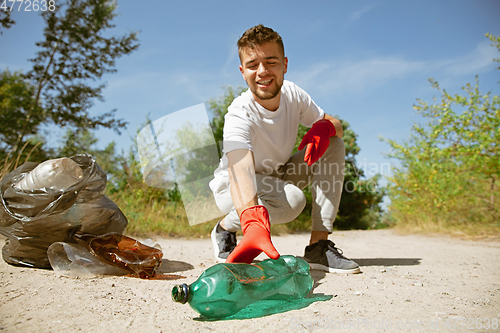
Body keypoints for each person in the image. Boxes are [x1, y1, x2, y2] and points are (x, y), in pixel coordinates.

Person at [208, 24, 360, 273]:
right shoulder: (239, 112)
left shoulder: (294, 94)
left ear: (285, 64)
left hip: (276, 176)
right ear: (242, 71)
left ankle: (318, 248)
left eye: (271, 62)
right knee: (292, 201)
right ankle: (226, 227)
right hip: (233, 185)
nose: (262, 71)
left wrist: (324, 128)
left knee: (334, 143)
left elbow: (337, 126)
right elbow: (240, 167)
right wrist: (253, 220)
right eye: (252, 64)